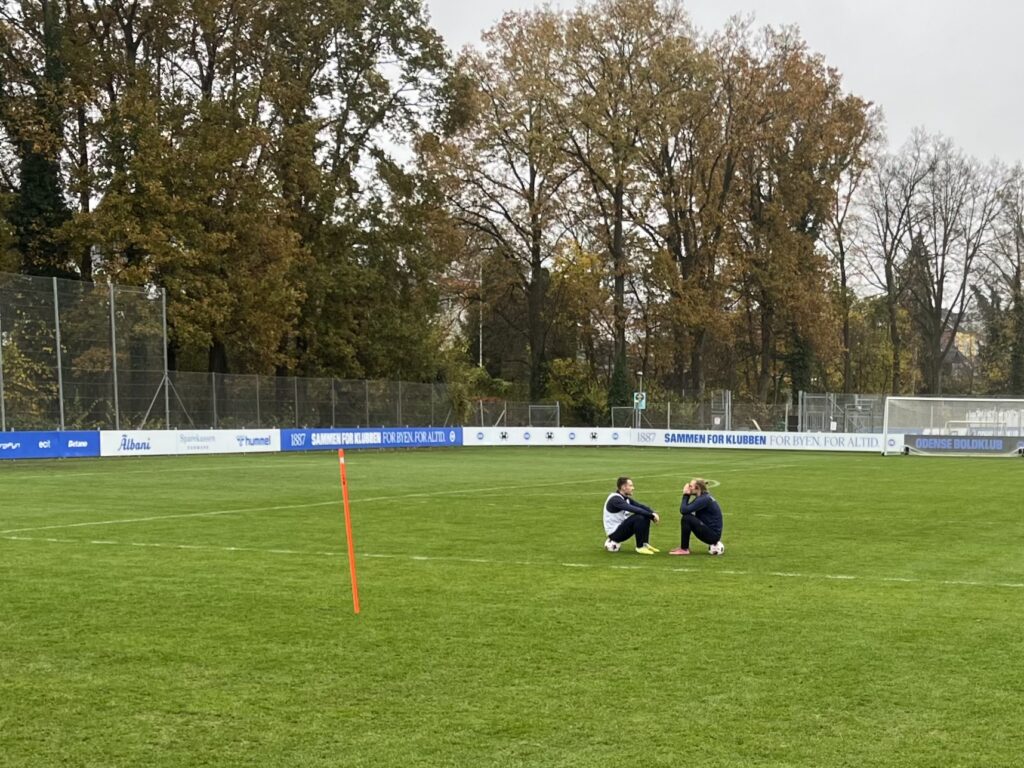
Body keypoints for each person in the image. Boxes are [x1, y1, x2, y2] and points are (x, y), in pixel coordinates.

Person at [603, 476, 660, 555]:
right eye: (630, 486)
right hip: (615, 534)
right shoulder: (615, 500)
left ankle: (644, 544)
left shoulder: (625, 498)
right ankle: (640, 547)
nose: (633, 488)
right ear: (623, 487)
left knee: (644, 515)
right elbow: (634, 509)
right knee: (639, 517)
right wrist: (652, 516)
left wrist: (653, 512)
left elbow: (640, 506)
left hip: (621, 528)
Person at [669, 478, 724, 556]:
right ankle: (684, 548)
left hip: (712, 536)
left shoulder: (704, 499)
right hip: (712, 534)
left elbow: (684, 510)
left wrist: (686, 495)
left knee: (687, 518)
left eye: (691, 486)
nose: (689, 488)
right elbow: (686, 509)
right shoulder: (703, 497)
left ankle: (684, 549)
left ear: (697, 488)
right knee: (687, 517)